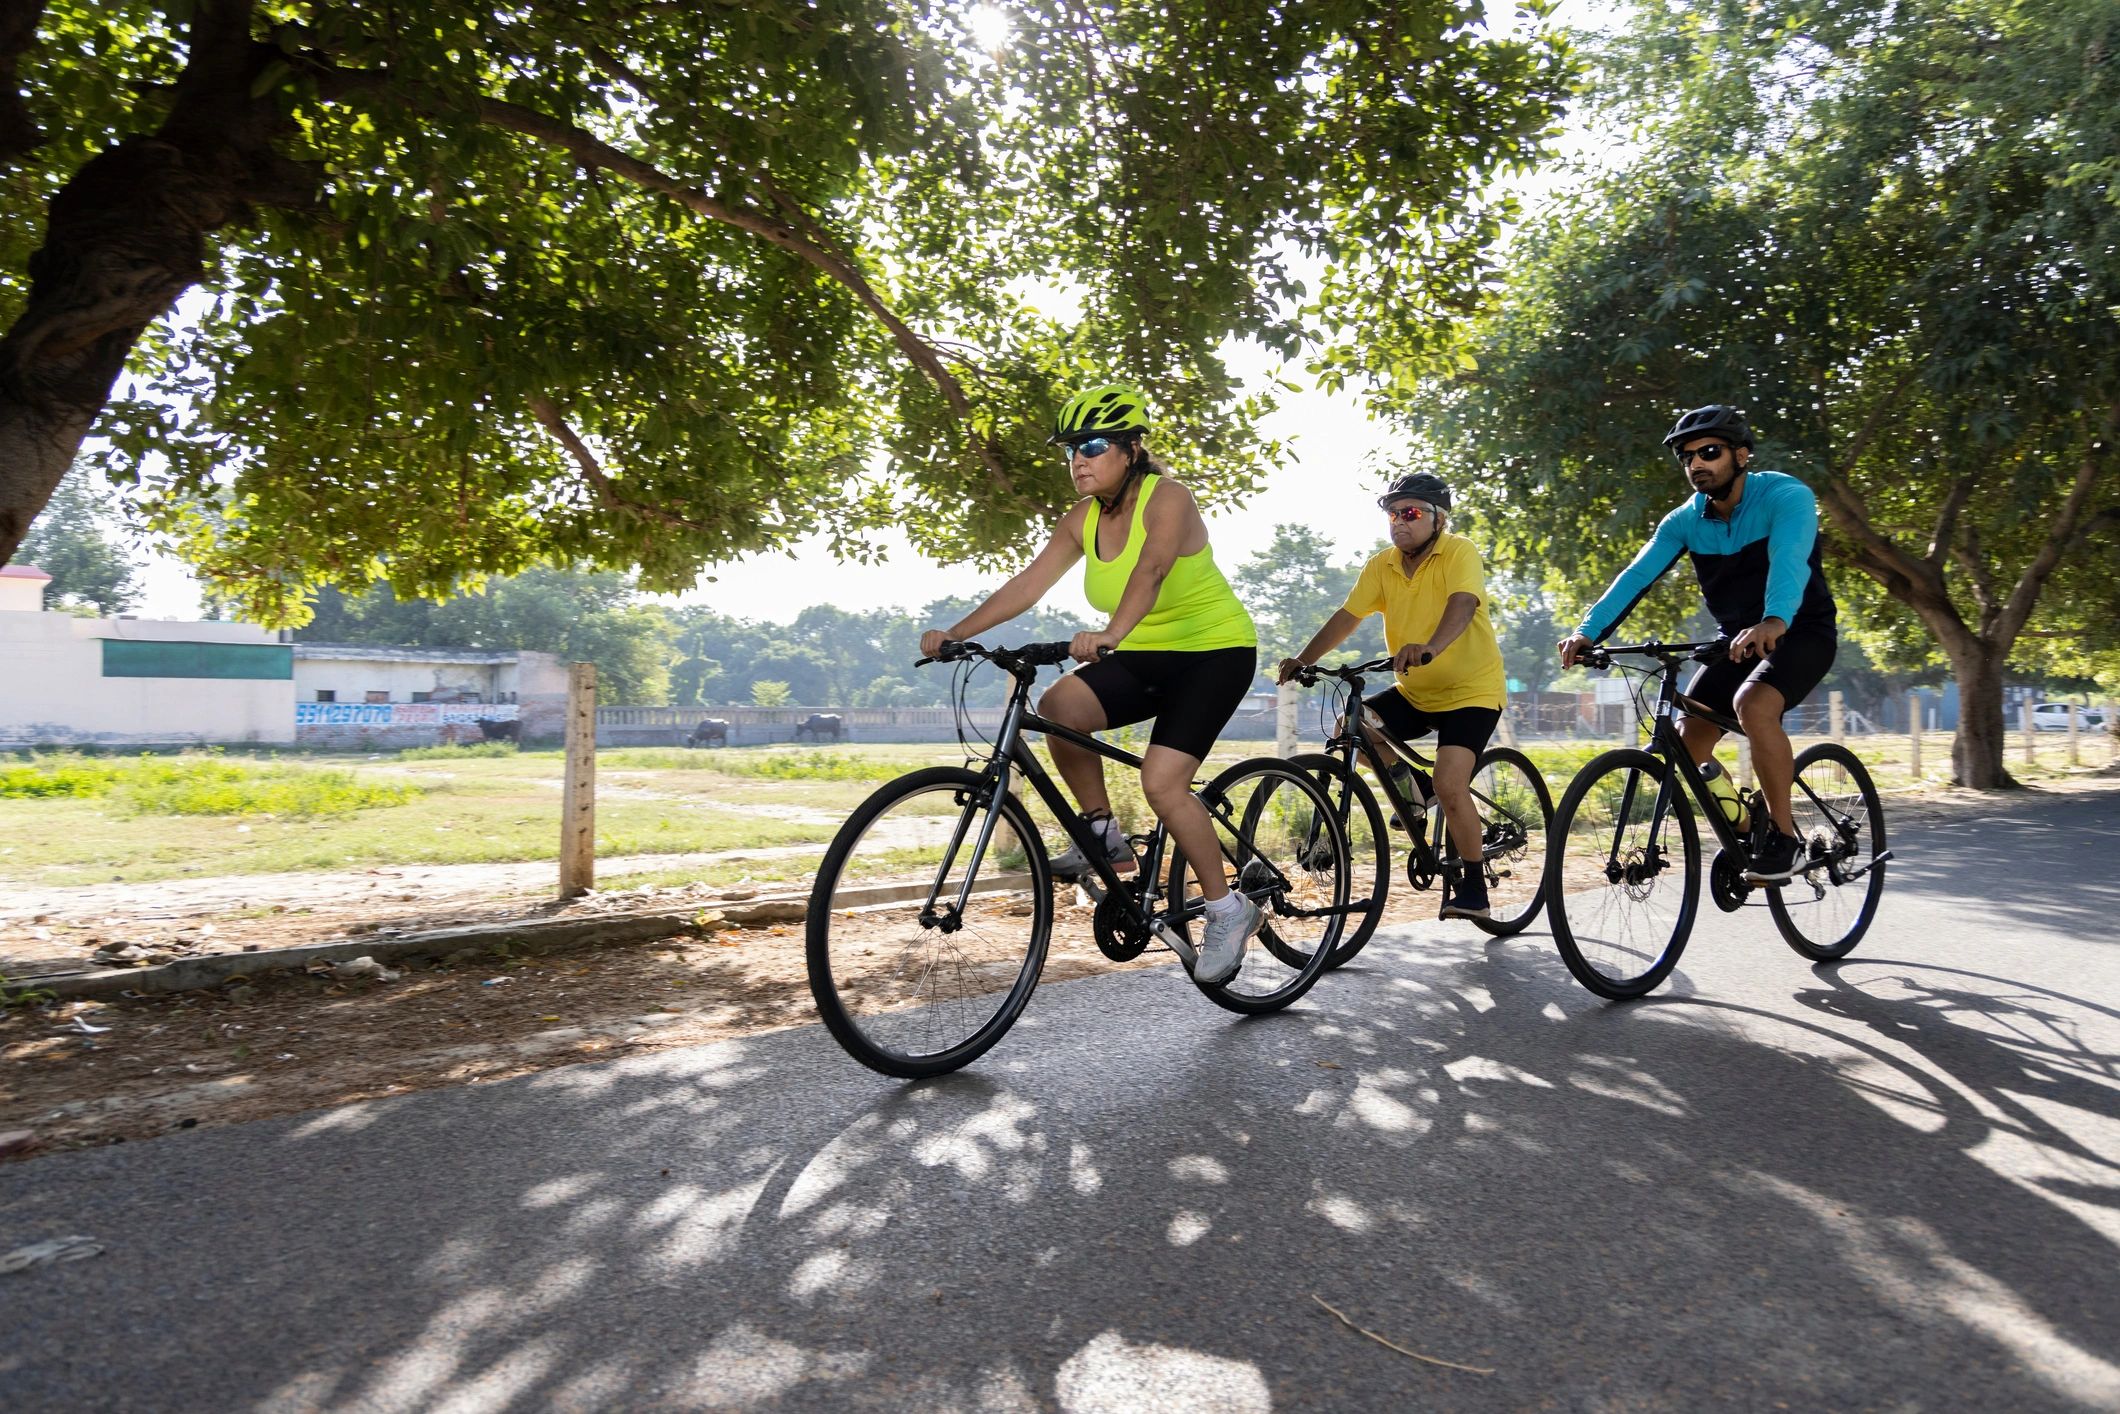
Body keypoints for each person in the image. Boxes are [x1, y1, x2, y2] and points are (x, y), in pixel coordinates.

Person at [919, 383, 1262, 983]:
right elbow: (1028, 585)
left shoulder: (1168, 498)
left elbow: (1152, 567)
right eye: (1071, 450)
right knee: (1060, 706)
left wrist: (1111, 631)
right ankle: (1103, 832)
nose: (1078, 459)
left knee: (1162, 782)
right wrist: (954, 633)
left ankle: (1228, 909)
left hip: (1214, 653)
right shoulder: (1081, 519)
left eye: (1093, 445)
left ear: (1131, 449)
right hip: (1143, 653)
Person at [1556, 404, 1838, 884]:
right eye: (1687, 458)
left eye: (1709, 452)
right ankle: (1750, 829)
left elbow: (1790, 561)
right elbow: (1636, 576)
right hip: (1737, 641)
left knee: (1754, 704)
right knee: (1689, 741)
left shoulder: (1787, 496)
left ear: (1742, 455)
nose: (1696, 465)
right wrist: (1588, 632)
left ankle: (1785, 840)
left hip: (1799, 629)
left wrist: (1773, 620)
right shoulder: (1685, 520)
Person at [1274, 471, 1509, 921]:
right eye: (1393, 514)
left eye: (1411, 513)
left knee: (1451, 783)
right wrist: (1304, 658)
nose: (1399, 521)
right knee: (1352, 728)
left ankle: (1475, 887)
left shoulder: (1459, 552)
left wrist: (1431, 648)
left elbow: (1463, 604)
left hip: (1470, 692)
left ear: (1438, 519)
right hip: (1416, 692)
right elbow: (1348, 616)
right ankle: (1414, 788)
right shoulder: (1382, 565)